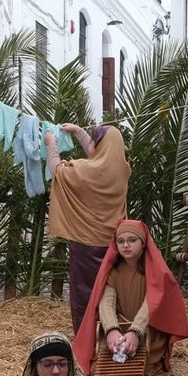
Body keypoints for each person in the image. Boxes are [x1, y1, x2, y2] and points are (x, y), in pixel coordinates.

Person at [72, 219, 188, 376]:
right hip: (120, 330)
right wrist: (112, 329)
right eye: (121, 241)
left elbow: (152, 304)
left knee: (142, 370)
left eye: (132, 240)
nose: (126, 245)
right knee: (98, 370)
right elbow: (106, 303)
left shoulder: (155, 271)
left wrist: (135, 331)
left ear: (143, 243)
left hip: (148, 332)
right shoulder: (113, 272)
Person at [44, 122, 131, 333]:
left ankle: (86, 339)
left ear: (100, 145)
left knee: (85, 294)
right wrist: (80, 132)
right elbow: (98, 157)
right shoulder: (123, 170)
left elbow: (58, 171)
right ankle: (113, 335)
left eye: (93, 140)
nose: (90, 143)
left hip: (85, 243)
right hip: (114, 243)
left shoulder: (84, 170)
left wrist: (50, 145)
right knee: (111, 293)